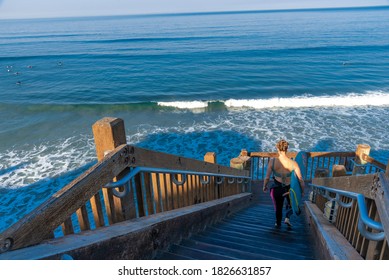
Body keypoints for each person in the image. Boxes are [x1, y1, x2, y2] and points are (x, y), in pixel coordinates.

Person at [262, 139, 305, 228]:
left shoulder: (272, 162)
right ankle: (287, 217)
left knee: (278, 208)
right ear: (287, 149)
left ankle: (278, 224)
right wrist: (302, 191)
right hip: (290, 189)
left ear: (277, 148)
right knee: (292, 206)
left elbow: (267, 177)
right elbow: (300, 179)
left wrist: (264, 186)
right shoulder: (293, 163)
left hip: (277, 189)